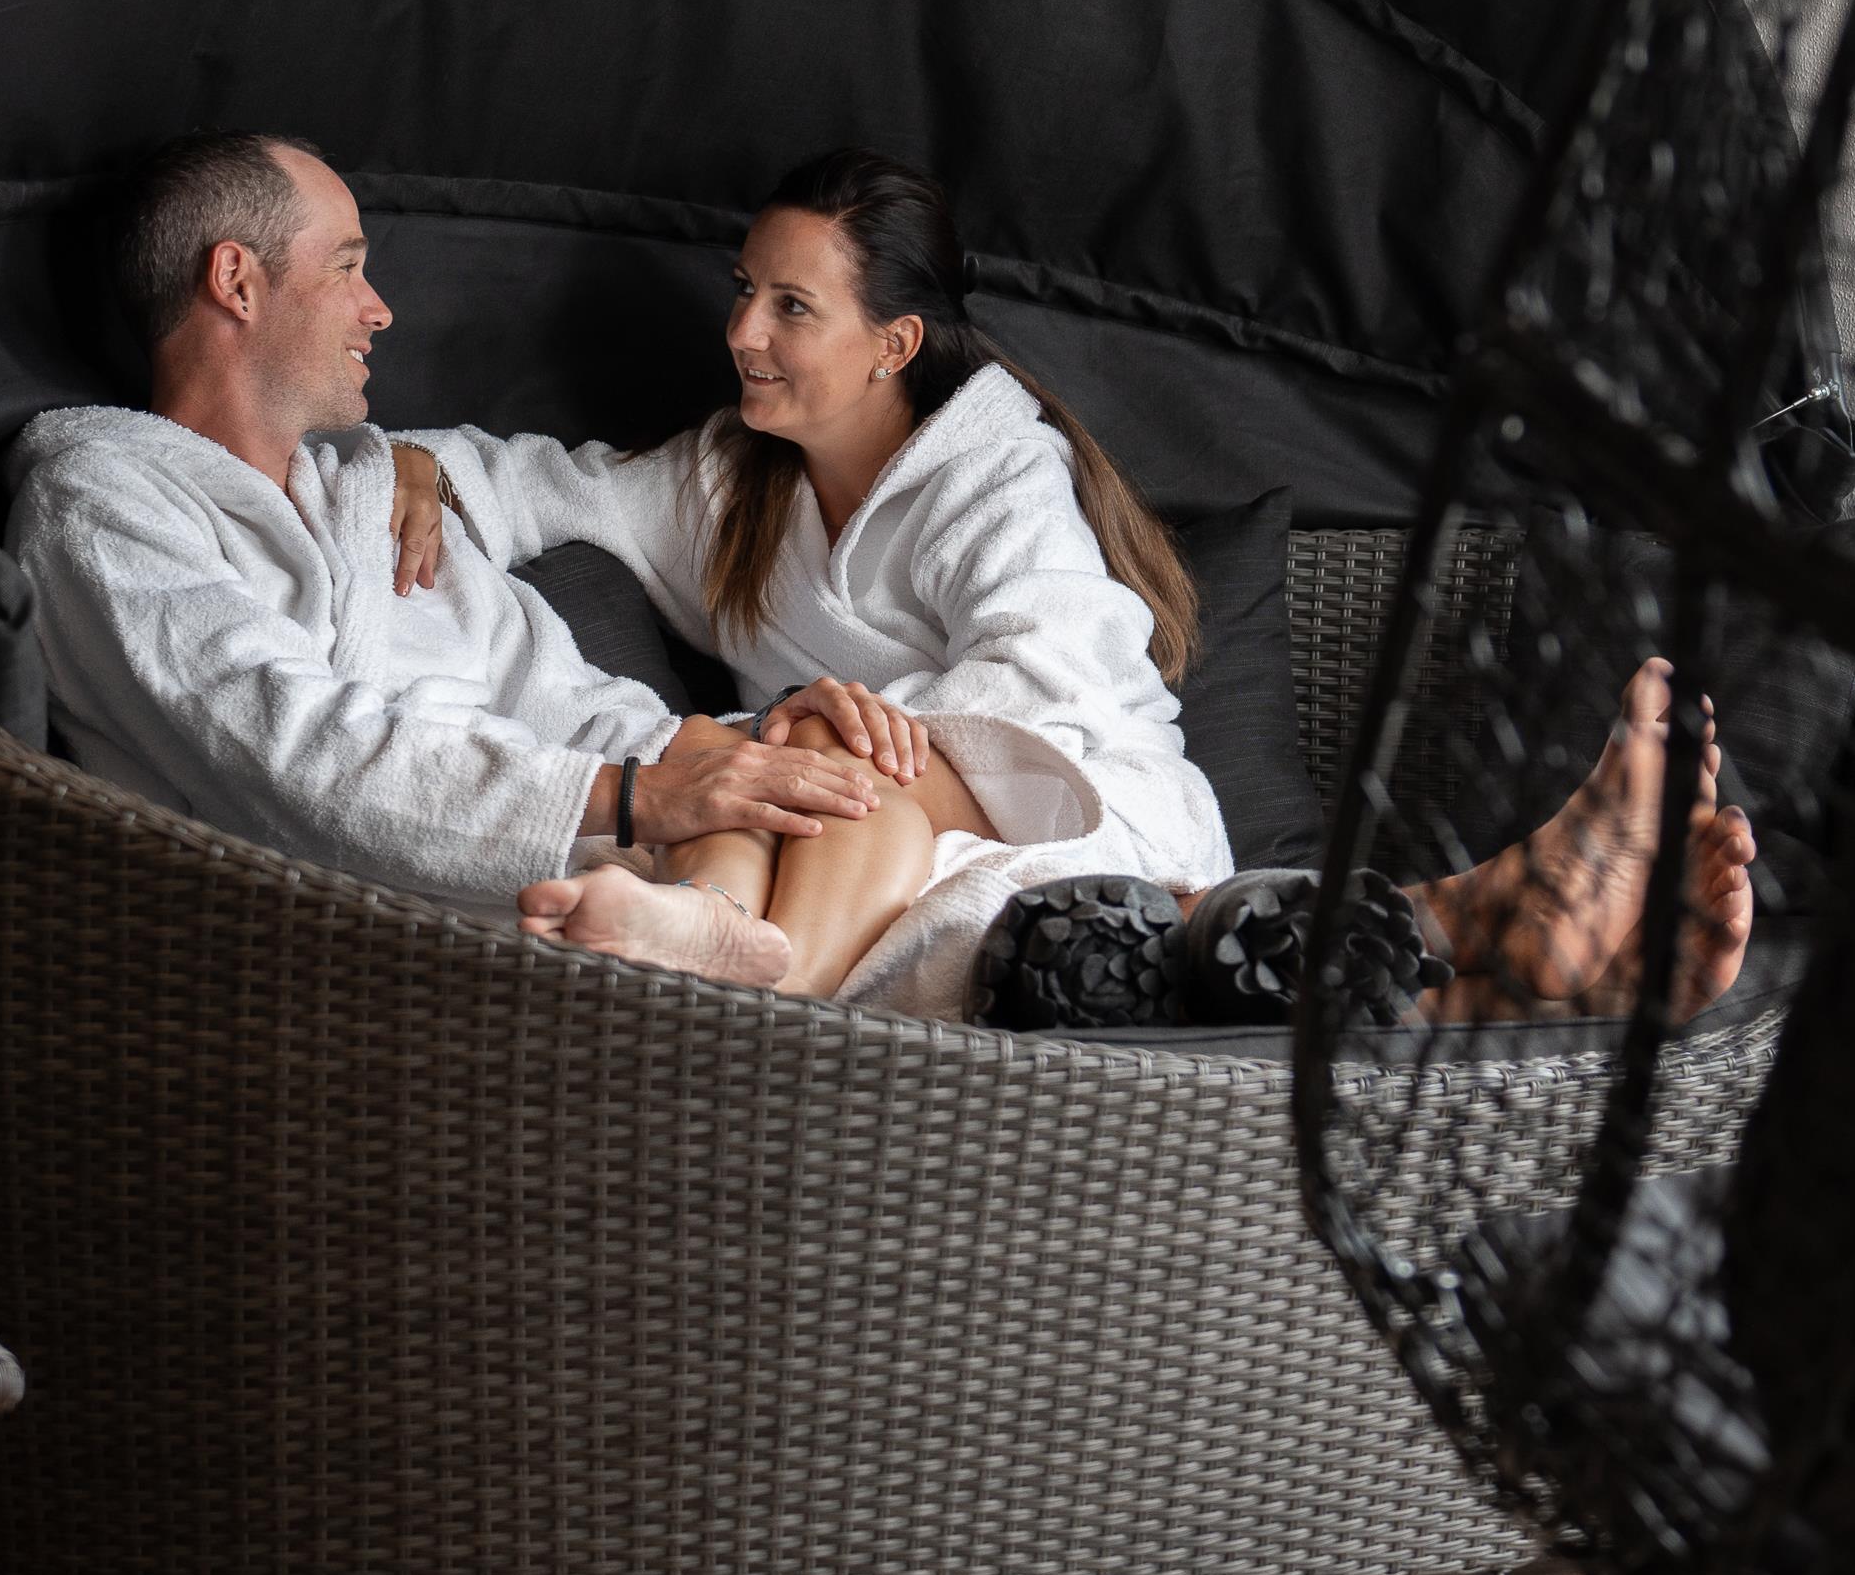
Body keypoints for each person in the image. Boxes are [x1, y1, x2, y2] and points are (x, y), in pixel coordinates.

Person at [390, 149, 1757, 1023]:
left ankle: (751, 978)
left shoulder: (995, 472)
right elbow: (537, 482)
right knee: (848, 827)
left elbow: (1044, 689)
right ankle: (1488, 959)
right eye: (745, 289)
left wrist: (832, 726)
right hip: (883, 851)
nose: (742, 329)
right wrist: (418, 466)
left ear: (893, 343)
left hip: (1091, 803)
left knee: (828, 768)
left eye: (792, 307)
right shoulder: (723, 485)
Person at [4, 131, 939, 990]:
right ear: (237, 283)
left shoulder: (371, 499)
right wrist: (633, 797)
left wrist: (736, 746)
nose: (379, 309)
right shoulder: (104, 505)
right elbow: (288, 749)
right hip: (356, 930)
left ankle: (748, 997)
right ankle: (756, 1010)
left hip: (578, 874)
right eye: (347, 267)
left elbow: (557, 693)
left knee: (863, 798)